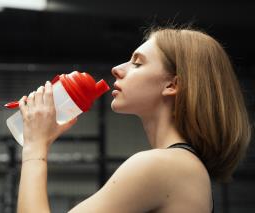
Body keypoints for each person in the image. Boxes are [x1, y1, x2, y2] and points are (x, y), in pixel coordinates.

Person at [16, 26, 251, 213]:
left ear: (172, 84)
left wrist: (35, 146)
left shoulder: (163, 166)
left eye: (137, 63)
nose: (117, 69)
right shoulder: (185, 167)